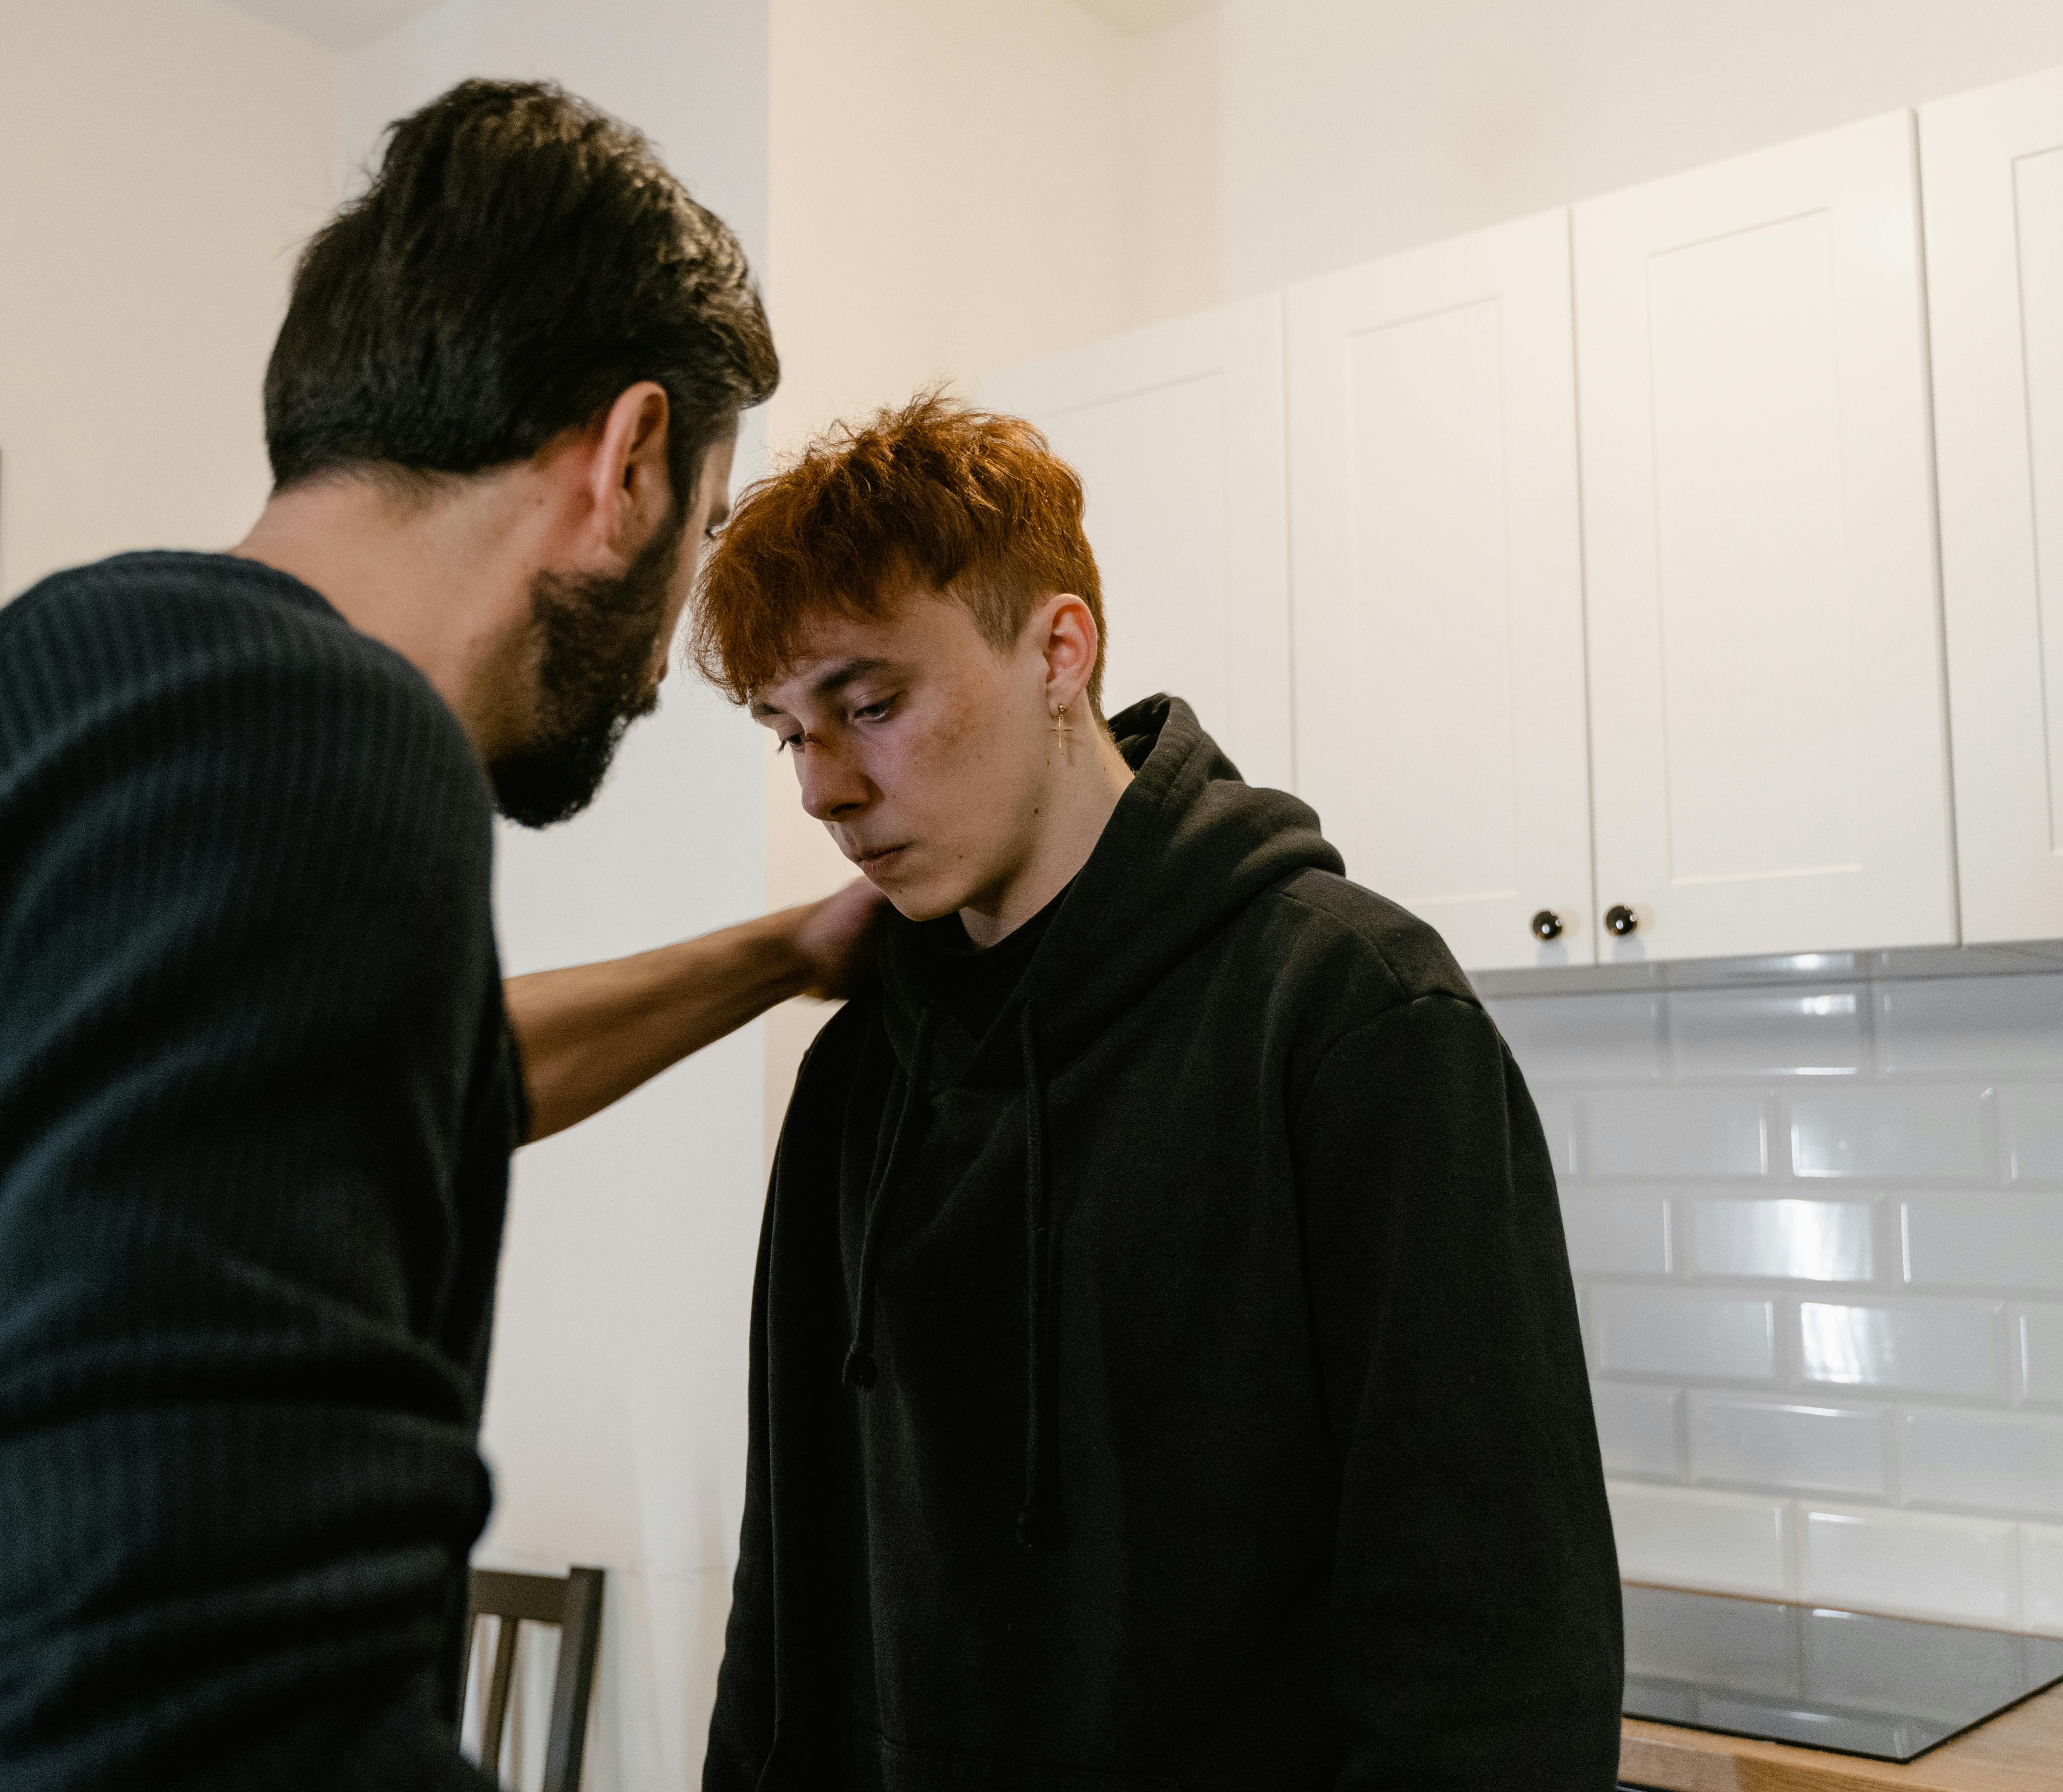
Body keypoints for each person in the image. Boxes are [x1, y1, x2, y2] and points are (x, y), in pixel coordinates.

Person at [0, 80, 878, 1792]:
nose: (659, 654)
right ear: (626, 462)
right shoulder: (303, 740)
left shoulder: (56, 707)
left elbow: (437, 1078)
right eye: (702, 532)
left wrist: (783, 953)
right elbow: (191, 1718)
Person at [692, 394, 1623, 1791]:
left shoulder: (1349, 1015)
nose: (824, 788)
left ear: (1056, 650)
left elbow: (1491, 1629)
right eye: (789, 732)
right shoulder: (858, 1073)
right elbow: (791, 1577)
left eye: (872, 705)